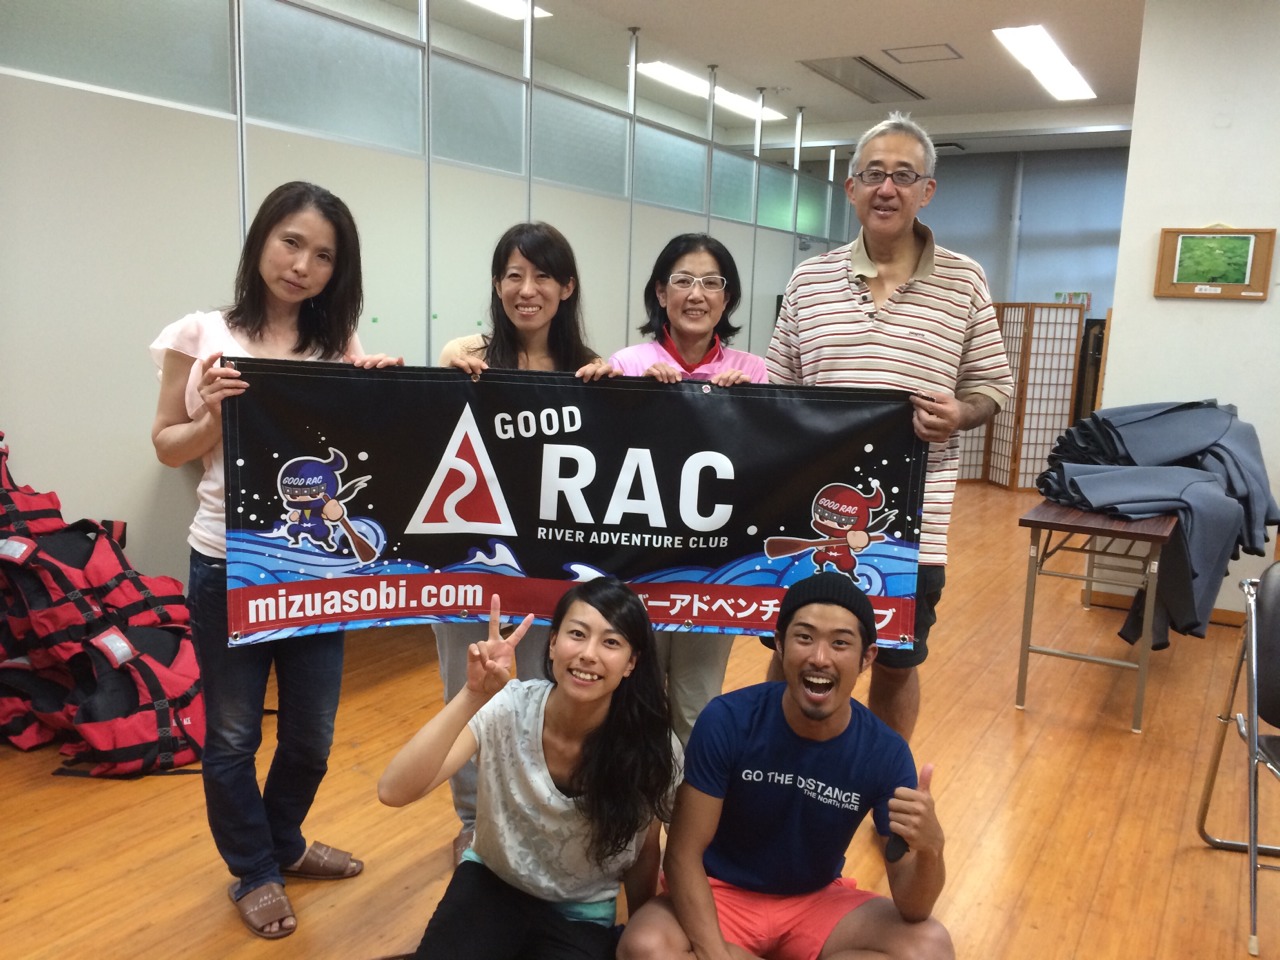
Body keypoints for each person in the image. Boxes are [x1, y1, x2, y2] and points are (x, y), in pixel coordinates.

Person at [150, 181, 403, 939]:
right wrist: (212, 416)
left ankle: (283, 841)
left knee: (311, 736)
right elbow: (166, 447)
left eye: (323, 256)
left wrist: (380, 389)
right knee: (232, 734)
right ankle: (255, 869)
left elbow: (363, 441)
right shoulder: (200, 333)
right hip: (227, 561)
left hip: (316, 573)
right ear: (262, 239)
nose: (302, 266)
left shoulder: (335, 343)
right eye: (292, 243)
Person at [764, 112, 1014, 741]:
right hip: (809, 512)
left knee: (897, 657)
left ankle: (884, 781)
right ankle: (771, 771)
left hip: (914, 522)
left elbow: (993, 387)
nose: (887, 188)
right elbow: (775, 390)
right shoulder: (808, 280)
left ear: (927, 191)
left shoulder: (965, 279)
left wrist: (961, 412)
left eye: (904, 176)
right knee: (792, 647)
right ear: (851, 188)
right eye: (874, 174)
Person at [617, 572, 953, 960]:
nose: (820, 657)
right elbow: (682, 854)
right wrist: (715, 953)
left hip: (816, 901)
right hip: (720, 893)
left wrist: (931, 848)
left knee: (930, 947)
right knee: (644, 947)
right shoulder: (728, 720)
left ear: (867, 657)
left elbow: (914, 908)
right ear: (779, 644)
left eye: (840, 643)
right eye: (804, 637)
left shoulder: (886, 752)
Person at [433, 221, 613, 862]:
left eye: (542, 276)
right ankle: (472, 820)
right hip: (471, 565)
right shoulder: (464, 354)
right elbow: (423, 434)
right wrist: (444, 381)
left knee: (546, 691)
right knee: (471, 690)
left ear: (568, 287)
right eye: (513, 275)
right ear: (497, 284)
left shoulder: (592, 369)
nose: (526, 290)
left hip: (552, 573)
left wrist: (619, 395)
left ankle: (536, 815)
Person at [378, 579, 679, 959]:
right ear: (552, 644)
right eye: (577, 634)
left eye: (611, 642)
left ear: (632, 662)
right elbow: (393, 791)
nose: (588, 654)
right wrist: (472, 695)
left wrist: (638, 926)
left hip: (579, 912)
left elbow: (647, 848)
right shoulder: (509, 706)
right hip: (492, 882)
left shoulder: (652, 747)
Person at [608, 233, 765, 745]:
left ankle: (691, 799)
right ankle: (637, 803)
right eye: (682, 281)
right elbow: (602, 458)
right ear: (661, 293)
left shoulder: (754, 373)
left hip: (715, 574)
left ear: (727, 297)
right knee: (633, 704)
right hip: (639, 570)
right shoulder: (628, 364)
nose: (696, 294)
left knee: (697, 706)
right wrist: (631, 398)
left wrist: (754, 412)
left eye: (711, 283)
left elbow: (771, 465)